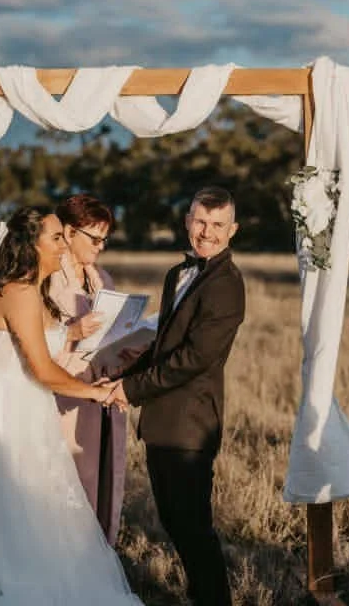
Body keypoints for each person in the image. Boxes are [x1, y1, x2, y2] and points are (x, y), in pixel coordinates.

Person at [0, 205, 143, 605]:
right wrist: (98, 393)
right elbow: (43, 370)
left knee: (25, 507)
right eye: (56, 237)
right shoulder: (20, 290)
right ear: (32, 244)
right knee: (6, 507)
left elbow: (42, 345)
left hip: (23, 404)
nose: (64, 245)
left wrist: (74, 332)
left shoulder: (34, 288)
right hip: (0, 410)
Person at [109, 186, 245, 606]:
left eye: (217, 225)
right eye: (200, 221)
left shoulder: (226, 285)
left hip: (189, 427)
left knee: (193, 529)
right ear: (187, 220)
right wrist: (119, 371)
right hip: (163, 421)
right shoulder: (177, 275)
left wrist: (129, 390)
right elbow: (163, 344)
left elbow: (193, 359)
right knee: (175, 521)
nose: (207, 232)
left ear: (232, 230)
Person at [49, 194, 126, 545]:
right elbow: (33, 345)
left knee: (100, 480)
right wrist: (72, 332)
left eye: (105, 239)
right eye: (94, 238)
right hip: (62, 396)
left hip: (103, 392)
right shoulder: (48, 279)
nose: (101, 246)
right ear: (68, 232)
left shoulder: (103, 279)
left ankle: (94, 552)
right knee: (66, 488)